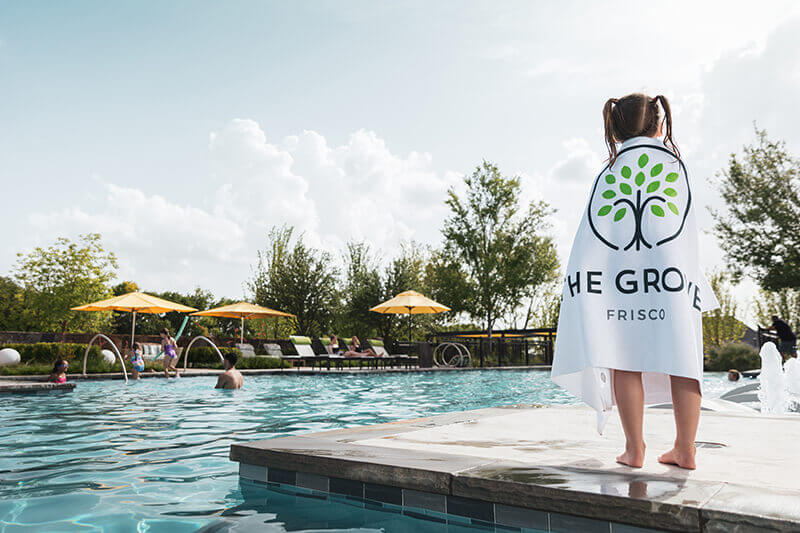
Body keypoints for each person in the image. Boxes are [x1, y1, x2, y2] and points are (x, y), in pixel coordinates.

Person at [551, 93, 719, 471]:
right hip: (672, 280)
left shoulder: (609, 172)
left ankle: (634, 448)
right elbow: (684, 234)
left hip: (620, 284)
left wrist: (582, 287)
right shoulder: (675, 167)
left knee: (624, 360)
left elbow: (591, 241)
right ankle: (685, 449)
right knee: (683, 359)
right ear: (661, 125)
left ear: (614, 128)